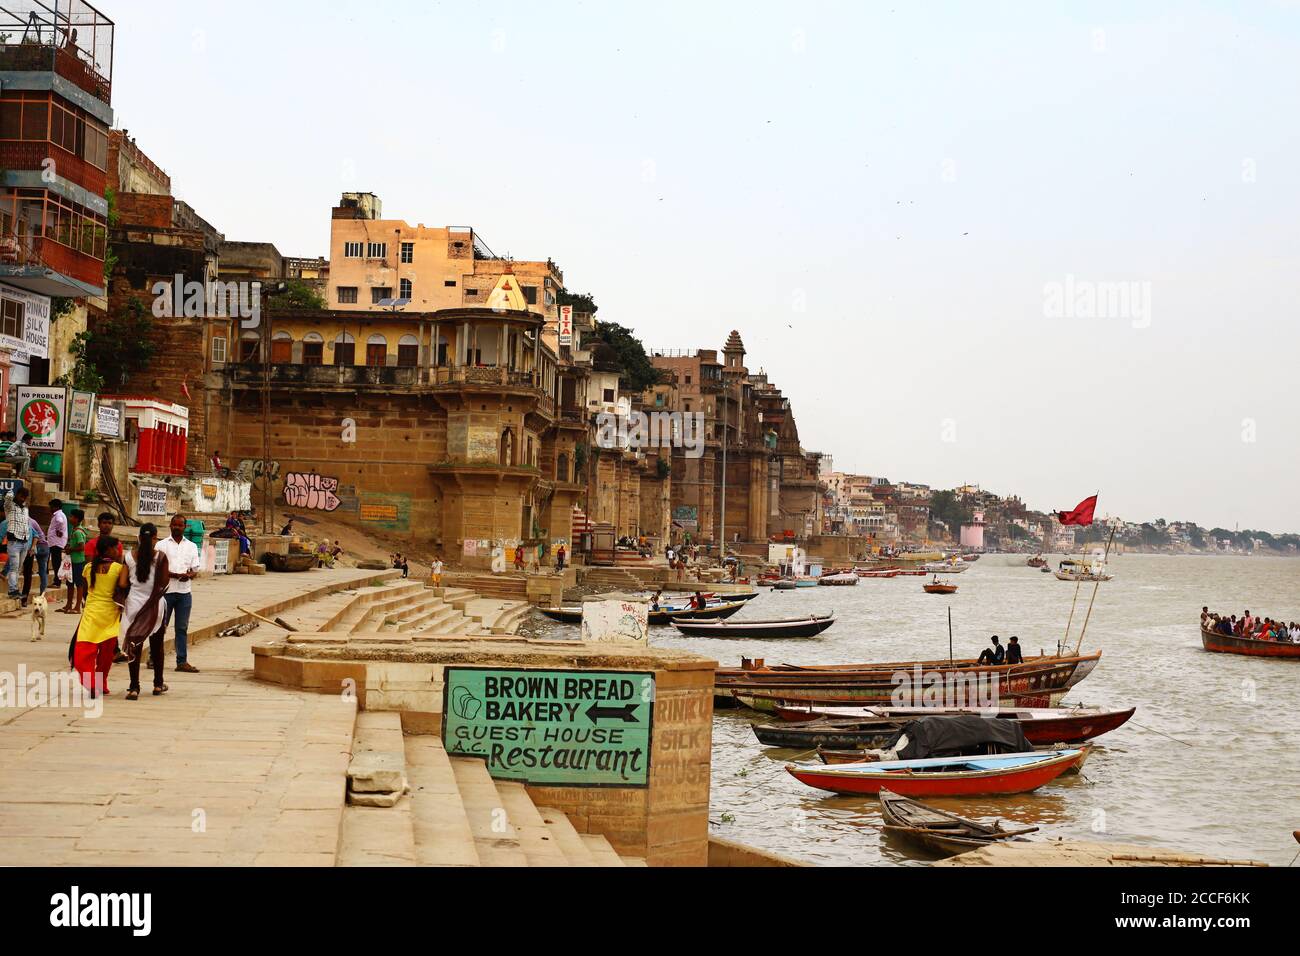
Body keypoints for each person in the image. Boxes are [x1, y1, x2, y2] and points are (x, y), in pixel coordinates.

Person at [119, 524, 170, 701]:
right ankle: (158, 683)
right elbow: (164, 583)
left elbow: (123, 583)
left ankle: (134, 687)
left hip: (134, 605)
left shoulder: (128, 557)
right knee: (157, 646)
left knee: (134, 646)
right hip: (155, 606)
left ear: (139, 538)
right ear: (155, 538)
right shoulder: (161, 557)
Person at [69, 536, 125, 696]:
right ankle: (101, 683)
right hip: (110, 614)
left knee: (84, 650)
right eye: (115, 548)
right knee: (106, 654)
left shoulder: (88, 567)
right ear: (108, 549)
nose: (117, 551)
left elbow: (87, 591)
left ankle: (91, 683)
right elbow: (122, 589)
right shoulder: (118, 568)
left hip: (92, 612)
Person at [156, 514, 202, 674]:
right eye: (174, 525)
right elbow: (156, 570)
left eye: (180, 525)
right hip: (165, 593)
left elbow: (195, 569)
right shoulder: (161, 545)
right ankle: (153, 658)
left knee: (182, 628)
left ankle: (181, 661)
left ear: (185, 527)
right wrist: (175, 575)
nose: (177, 527)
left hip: (184, 593)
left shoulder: (191, 546)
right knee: (160, 628)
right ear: (170, 525)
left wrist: (188, 576)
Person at [4, 487, 32, 598]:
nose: (23, 499)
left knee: (19, 568)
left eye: (25, 497)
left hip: (25, 542)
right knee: (14, 567)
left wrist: (28, 541)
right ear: (17, 495)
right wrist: (11, 491)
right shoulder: (10, 507)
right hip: (14, 542)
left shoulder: (26, 509)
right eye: (21, 496)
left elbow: (26, 525)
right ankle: (12, 590)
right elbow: (8, 499)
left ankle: (15, 589)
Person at [19, 512, 48, 608]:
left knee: (29, 573)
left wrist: (33, 547)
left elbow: (37, 536)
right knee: (36, 572)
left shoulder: (29, 522)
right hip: (25, 549)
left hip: (34, 549)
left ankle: (25, 599)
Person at [64, 509, 88, 614]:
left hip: (78, 561)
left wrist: (71, 549)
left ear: (77, 519)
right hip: (72, 561)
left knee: (79, 584)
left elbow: (82, 546)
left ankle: (77, 606)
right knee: (69, 583)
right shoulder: (74, 529)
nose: (70, 518)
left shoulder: (78, 532)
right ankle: (69, 604)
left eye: (71, 517)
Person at [46, 499, 67, 599]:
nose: (50, 509)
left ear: (56, 507)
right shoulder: (59, 514)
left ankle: (57, 581)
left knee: (56, 562)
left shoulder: (58, 515)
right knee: (55, 561)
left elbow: (60, 522)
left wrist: (59, 530)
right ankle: (56, 580)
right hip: (55, 542)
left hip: (56, 542)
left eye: (51, 506)